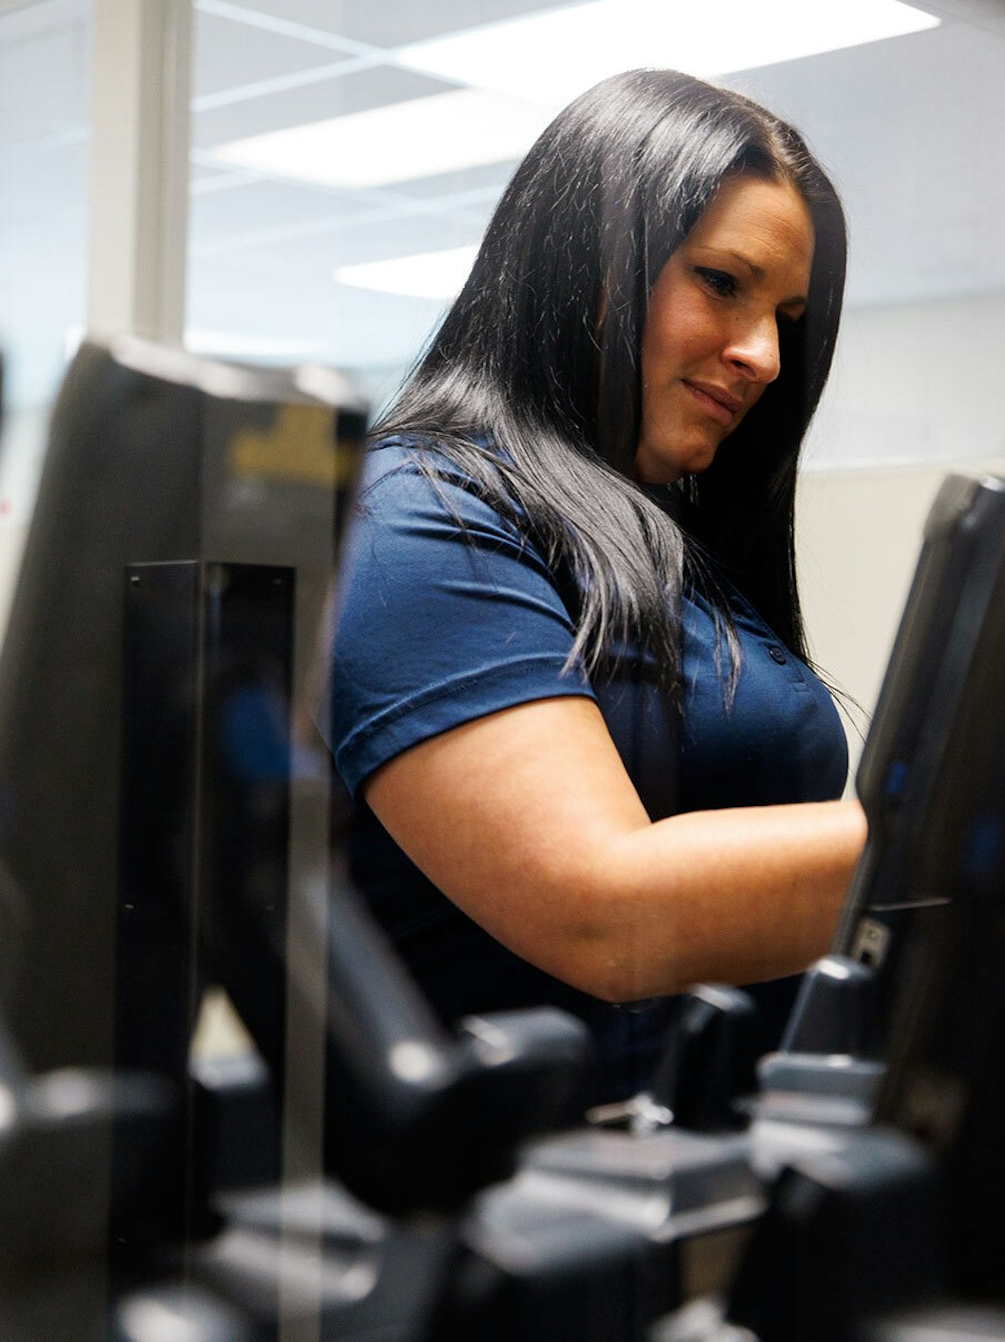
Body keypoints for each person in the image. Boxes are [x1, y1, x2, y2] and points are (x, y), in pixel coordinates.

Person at [328, 69, 867, 1099]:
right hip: (504, 1201)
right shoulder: (418, 514)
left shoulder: (672, 547)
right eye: (722, 282)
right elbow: (604, 909)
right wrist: (972, 843)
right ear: (587, 268)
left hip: (682, 1171)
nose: (763, 354)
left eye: (786, 315)